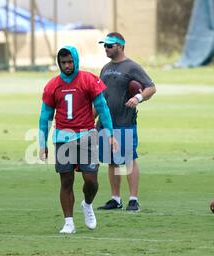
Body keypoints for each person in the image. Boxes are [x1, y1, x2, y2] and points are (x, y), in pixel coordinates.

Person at [39, 46, 116, 234]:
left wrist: (110, 133)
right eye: (63, 62)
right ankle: (68, 222)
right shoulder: (52, 85)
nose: (67, 66)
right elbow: (45, 116)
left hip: (86, 135)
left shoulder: (88, 79)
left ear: (76, 61)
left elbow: (102, 108)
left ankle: (87, 204)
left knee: (91, 180)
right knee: (66, 181)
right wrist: (42, 143)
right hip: (62, 138)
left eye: (69, 62)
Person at [96, 32, 156, 212]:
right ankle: (115, 198)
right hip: (107, 123)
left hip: (125, 120)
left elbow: (151, 88)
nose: (106, 48)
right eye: (104, 45)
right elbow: (100, 97)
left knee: (129, 159)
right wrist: (92, 119)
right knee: (112, 161)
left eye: (110, 45)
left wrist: (138, 97)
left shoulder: (132, 66)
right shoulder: (105, 68)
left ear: (120, 46)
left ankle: (133, 199)